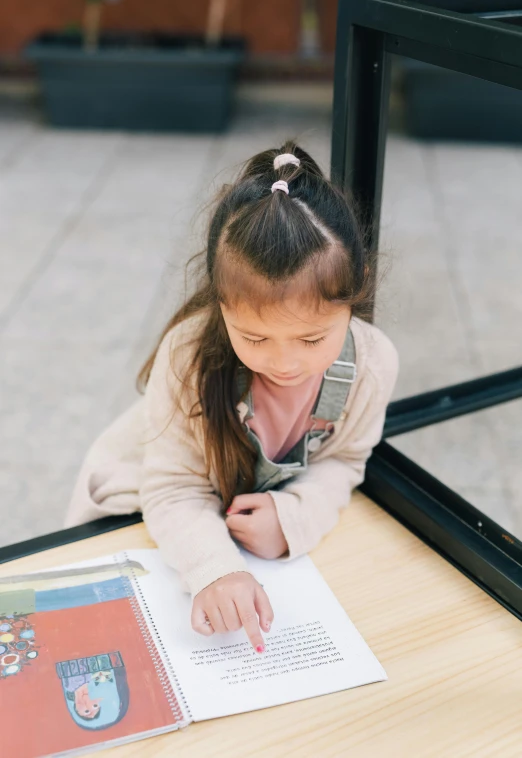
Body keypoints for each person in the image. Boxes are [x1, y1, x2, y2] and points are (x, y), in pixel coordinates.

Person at [65, 141, 399, 654]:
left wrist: (295, 517)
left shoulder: (373, 365)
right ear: (220, 302)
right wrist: (214, 570)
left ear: (358, 289)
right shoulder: (188, 354)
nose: (285, 363)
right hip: (137, 507)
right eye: (255, 338)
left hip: (229, 524)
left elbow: (347, 460)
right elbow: (172, 488)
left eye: (311, 339)